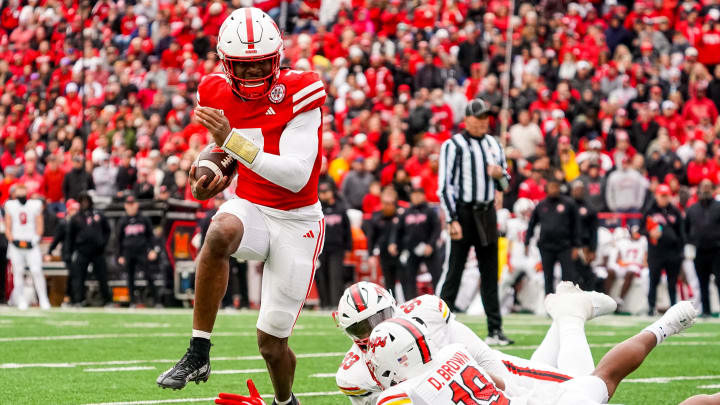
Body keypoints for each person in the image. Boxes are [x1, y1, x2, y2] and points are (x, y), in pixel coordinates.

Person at [157, 9, 327, 405]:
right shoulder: (214, 91)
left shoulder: (302, 90)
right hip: (251, 204)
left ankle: (285, 401)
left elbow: (295, 175)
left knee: (271, 345)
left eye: (261, 66)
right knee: (219, 232)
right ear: (226, 64)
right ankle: (198, 351)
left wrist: (230, 141)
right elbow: (230, 154)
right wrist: (210, 181)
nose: (252, 76)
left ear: (278, 58)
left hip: (297, 220)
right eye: (243, 68)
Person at [369, 298, 697, 405]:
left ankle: (570, 313)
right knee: (605, 377)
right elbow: (497, 383)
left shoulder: (395, 396)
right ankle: (664, 327)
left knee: (585, 377)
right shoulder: (454, 351)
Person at [436, 98, 513, 345]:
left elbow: (506, 184)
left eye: (485, 118)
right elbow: (445, 185)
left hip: (487, 212)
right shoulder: (453, 145)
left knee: (490, 272)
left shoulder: (494, 144)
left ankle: (495, 330)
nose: (482, 123)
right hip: (464, 213)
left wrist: (500, 175)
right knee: (454, 271)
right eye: (477, 118)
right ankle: (438, 328)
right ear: (467, 119)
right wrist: (452, 219)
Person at [525, 179, 581, 295]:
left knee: (568, 277)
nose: (554, 190)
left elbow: (576, 225)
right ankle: (549, 304)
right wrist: (527, 241)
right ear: (546, 189)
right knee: (547, 276)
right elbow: (532, 224)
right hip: (546, 246)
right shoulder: (541, 205)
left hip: (564, 246)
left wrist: (576, 245)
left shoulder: (568, 204)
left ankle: (568, 303)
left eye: (556, 187)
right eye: (551, 187)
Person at [4, 183, 50, 310]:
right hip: (16, 243)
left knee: (36, 270)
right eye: (18, 192)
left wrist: (34, 240)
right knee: (18, 272)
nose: (21, 195)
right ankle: (21, 300)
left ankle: (43, 299)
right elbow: (8, 227)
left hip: (31, 242)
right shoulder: (10, 205)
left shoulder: (34, 205)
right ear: (14, 194)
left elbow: (39, 225)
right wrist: (13, 240)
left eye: (23, 192)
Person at [390, 187, 441, 298]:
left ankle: (441, 301)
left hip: (428, 249)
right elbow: (398, 230)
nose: (416, 197)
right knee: (409, 278)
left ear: (423, 196)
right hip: (411, 250)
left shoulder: (430, 211)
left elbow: (437, 229)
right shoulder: (407, 212)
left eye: (419, 194)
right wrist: (393, 243)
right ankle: (411, 303)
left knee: (437, 276)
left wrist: (431, 245)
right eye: (414, 195)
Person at [643, 184, 685, 315]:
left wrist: (680, 252)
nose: (664, 199)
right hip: (656, 252)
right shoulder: (649, 210)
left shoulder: (675, 211)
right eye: (662, 196)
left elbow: (681, 233)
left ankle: (673, 308)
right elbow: (640, 229)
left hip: (672, 252)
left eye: (666, 196)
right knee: (653, 280)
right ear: (657, 196)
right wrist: (650, 233)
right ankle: (651, 307)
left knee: (672, 282)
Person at [684, 179, 720, 317]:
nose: (705, 189)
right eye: (703, 186)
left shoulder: (718, 206)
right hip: (699, 251)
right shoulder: (692, 209)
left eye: (708, 186)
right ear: (699, 189)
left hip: (717, 251)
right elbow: (685, 229)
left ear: (712, 189)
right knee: (702, 282)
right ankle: (706, 311)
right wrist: (690, 244)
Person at [68, 192, 112, 306]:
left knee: (102, 276)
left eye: (86, 200)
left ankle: (107, 300)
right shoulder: (76, 218)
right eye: (82, 201)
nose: (84, 203)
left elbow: (107, 231)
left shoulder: (99, 215)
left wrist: (103, 243)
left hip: (98, 251)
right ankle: (79, 300)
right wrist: (71, 251)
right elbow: (70, 236)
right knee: (79, 277)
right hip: (82, 251)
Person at [317, 181, 353, 309]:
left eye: (326, 192)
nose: (324, 195)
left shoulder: (340, 209)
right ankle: (324, 304)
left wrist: (349, 247)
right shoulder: (317, 210)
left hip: (337, 249)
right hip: (320, 249)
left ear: (332, 192)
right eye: (321, 192)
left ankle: (335, 304)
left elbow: (347, 230)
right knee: (321, 275)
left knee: (336, 276)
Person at [116, 195, 156, 307]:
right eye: (128, 204)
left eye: (132, 203)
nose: (131, 206)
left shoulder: (144, 219)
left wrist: (152, 250)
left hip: (142, 251)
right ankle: (132, 301)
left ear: (137, 204)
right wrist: (119, 255)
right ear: (125, 206)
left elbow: (150, 237)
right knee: (130, 277)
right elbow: (118, 239)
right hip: (128, 252)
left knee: (148, 275)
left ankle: (155, 300)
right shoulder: (123, 221)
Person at [365, 188, 403, 299]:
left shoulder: (401, 215)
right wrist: (371, 254)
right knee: (389, 281)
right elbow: (371, 237)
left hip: (400, 253)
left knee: (406, 280)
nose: (387, 206)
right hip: (384, 253)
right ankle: (392, 303)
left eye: (390, 203)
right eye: (384, 203)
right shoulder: (377, 216)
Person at [46, 199, 80, 305]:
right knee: (70, 276)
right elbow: (56, 239)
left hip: (79, 252)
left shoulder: (80, 222)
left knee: (77, 276)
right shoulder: (64, 223)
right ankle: (68, 297)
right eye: (73, 209)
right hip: (67, 253)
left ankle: (77, 298)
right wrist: (49, 252)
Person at [607, 226, 647, 311]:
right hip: (624, 265)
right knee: (610, 271)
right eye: (635, 232)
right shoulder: (624, 242)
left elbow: (645, 258)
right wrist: (620, 261)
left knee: (630, 272)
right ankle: (606, 298)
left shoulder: (643, 241)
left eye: (638, 232)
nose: (637, 234)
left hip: (635, 265)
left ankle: (620, 300)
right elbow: (618, 257)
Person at [571, 180, 599, 290]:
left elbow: (593, 231)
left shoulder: (590, 208)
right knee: (571, 275)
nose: (578, 192)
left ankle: (589, 299)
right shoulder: (567, 206)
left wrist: (593, 249)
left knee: (586, 273)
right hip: (570, 246)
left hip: (584, 246)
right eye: (576, 189)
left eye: (580, 189)